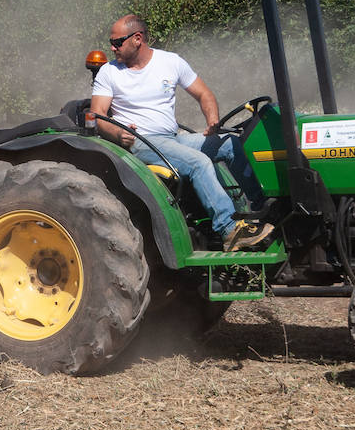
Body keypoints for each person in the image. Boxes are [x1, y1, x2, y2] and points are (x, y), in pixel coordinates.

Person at [89, 15, 274, 252]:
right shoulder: (109, 72)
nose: (112, 48)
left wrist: (212, 118)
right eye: (111, 42)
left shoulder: (170, 62)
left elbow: (204, 95)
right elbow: (98, 116)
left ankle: (261, 210)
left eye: (117, 42)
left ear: (137, 39)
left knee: (230, 144)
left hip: (172, 138)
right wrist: (117, 133)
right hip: (140, 142)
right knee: (199, 163)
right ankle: (229, 229)